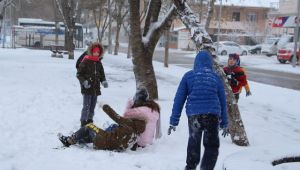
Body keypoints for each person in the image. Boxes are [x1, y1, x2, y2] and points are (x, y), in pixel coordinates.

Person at [168, 51, 228, 170]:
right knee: (211, 145)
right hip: (212, 114)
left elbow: (179, 99)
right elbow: (223, 101)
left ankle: (190, 167)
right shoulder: (215, 77)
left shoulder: (188, 76)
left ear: (195, 62)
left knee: (194, 141)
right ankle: (206, 168)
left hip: (194, 115)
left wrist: (174, 121)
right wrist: (224, 122)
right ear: (210, 63)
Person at [58, 104, 146, 151]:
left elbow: (116, 116)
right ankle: (78, 140)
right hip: (111, 146)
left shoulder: (129, 124)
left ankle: (69, 141)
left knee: (89, 126)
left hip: (103, 142)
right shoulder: (136, 135)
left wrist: (104, 106)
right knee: (111, 127)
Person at [77, 42, 108, 127]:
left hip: (95, 89)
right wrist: (84, 81)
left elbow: (102, 74)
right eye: (95, 52)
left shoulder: (99, 63)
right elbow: (79, 74)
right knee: (86, 106)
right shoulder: (86, 61)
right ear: (91, 52)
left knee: (92, 106)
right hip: (87, 88)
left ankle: (90, 120)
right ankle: (83, 121)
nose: (96, 54)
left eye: (98, 52)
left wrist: (104, 81)